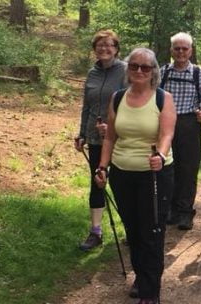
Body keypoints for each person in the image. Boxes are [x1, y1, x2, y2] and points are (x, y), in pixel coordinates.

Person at [95, 48, 175, 303]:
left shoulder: (163, 98)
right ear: (128, 69)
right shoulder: (117, 98)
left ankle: (151, 294)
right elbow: (110, 136)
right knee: (133, 231)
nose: (139, 71)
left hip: (154, 175)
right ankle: (142, 277)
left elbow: (166, 134)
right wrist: (102, 167)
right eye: (134, 66)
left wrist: (160, 156)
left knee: (151, 232)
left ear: (153, 73)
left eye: (145, 67)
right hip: (122, 174)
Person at [74, 29, 127, 251]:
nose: (104, 49)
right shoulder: (92, 74)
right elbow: (87, 106)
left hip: (122, 139)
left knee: (123, 185)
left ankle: (132, 229)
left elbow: (132, 103)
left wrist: (114, 126)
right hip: (96, 139)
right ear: (94, 49)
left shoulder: (126, 71)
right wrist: (82, 134)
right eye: (100, 45)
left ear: (116, 49)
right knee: (97, 182)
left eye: (109, 45)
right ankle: (95, 232)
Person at [159, 32, 201, 230]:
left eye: (184, 49)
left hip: (189, 124)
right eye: (177, 48)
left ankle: (185, 212)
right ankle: (169, 210)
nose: (181, 52)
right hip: (164, 124)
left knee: (188, 169)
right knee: (166, 169)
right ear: (171, 50)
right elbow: (153, 96)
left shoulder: (199, 73)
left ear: (190, 51)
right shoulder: (163, 71)